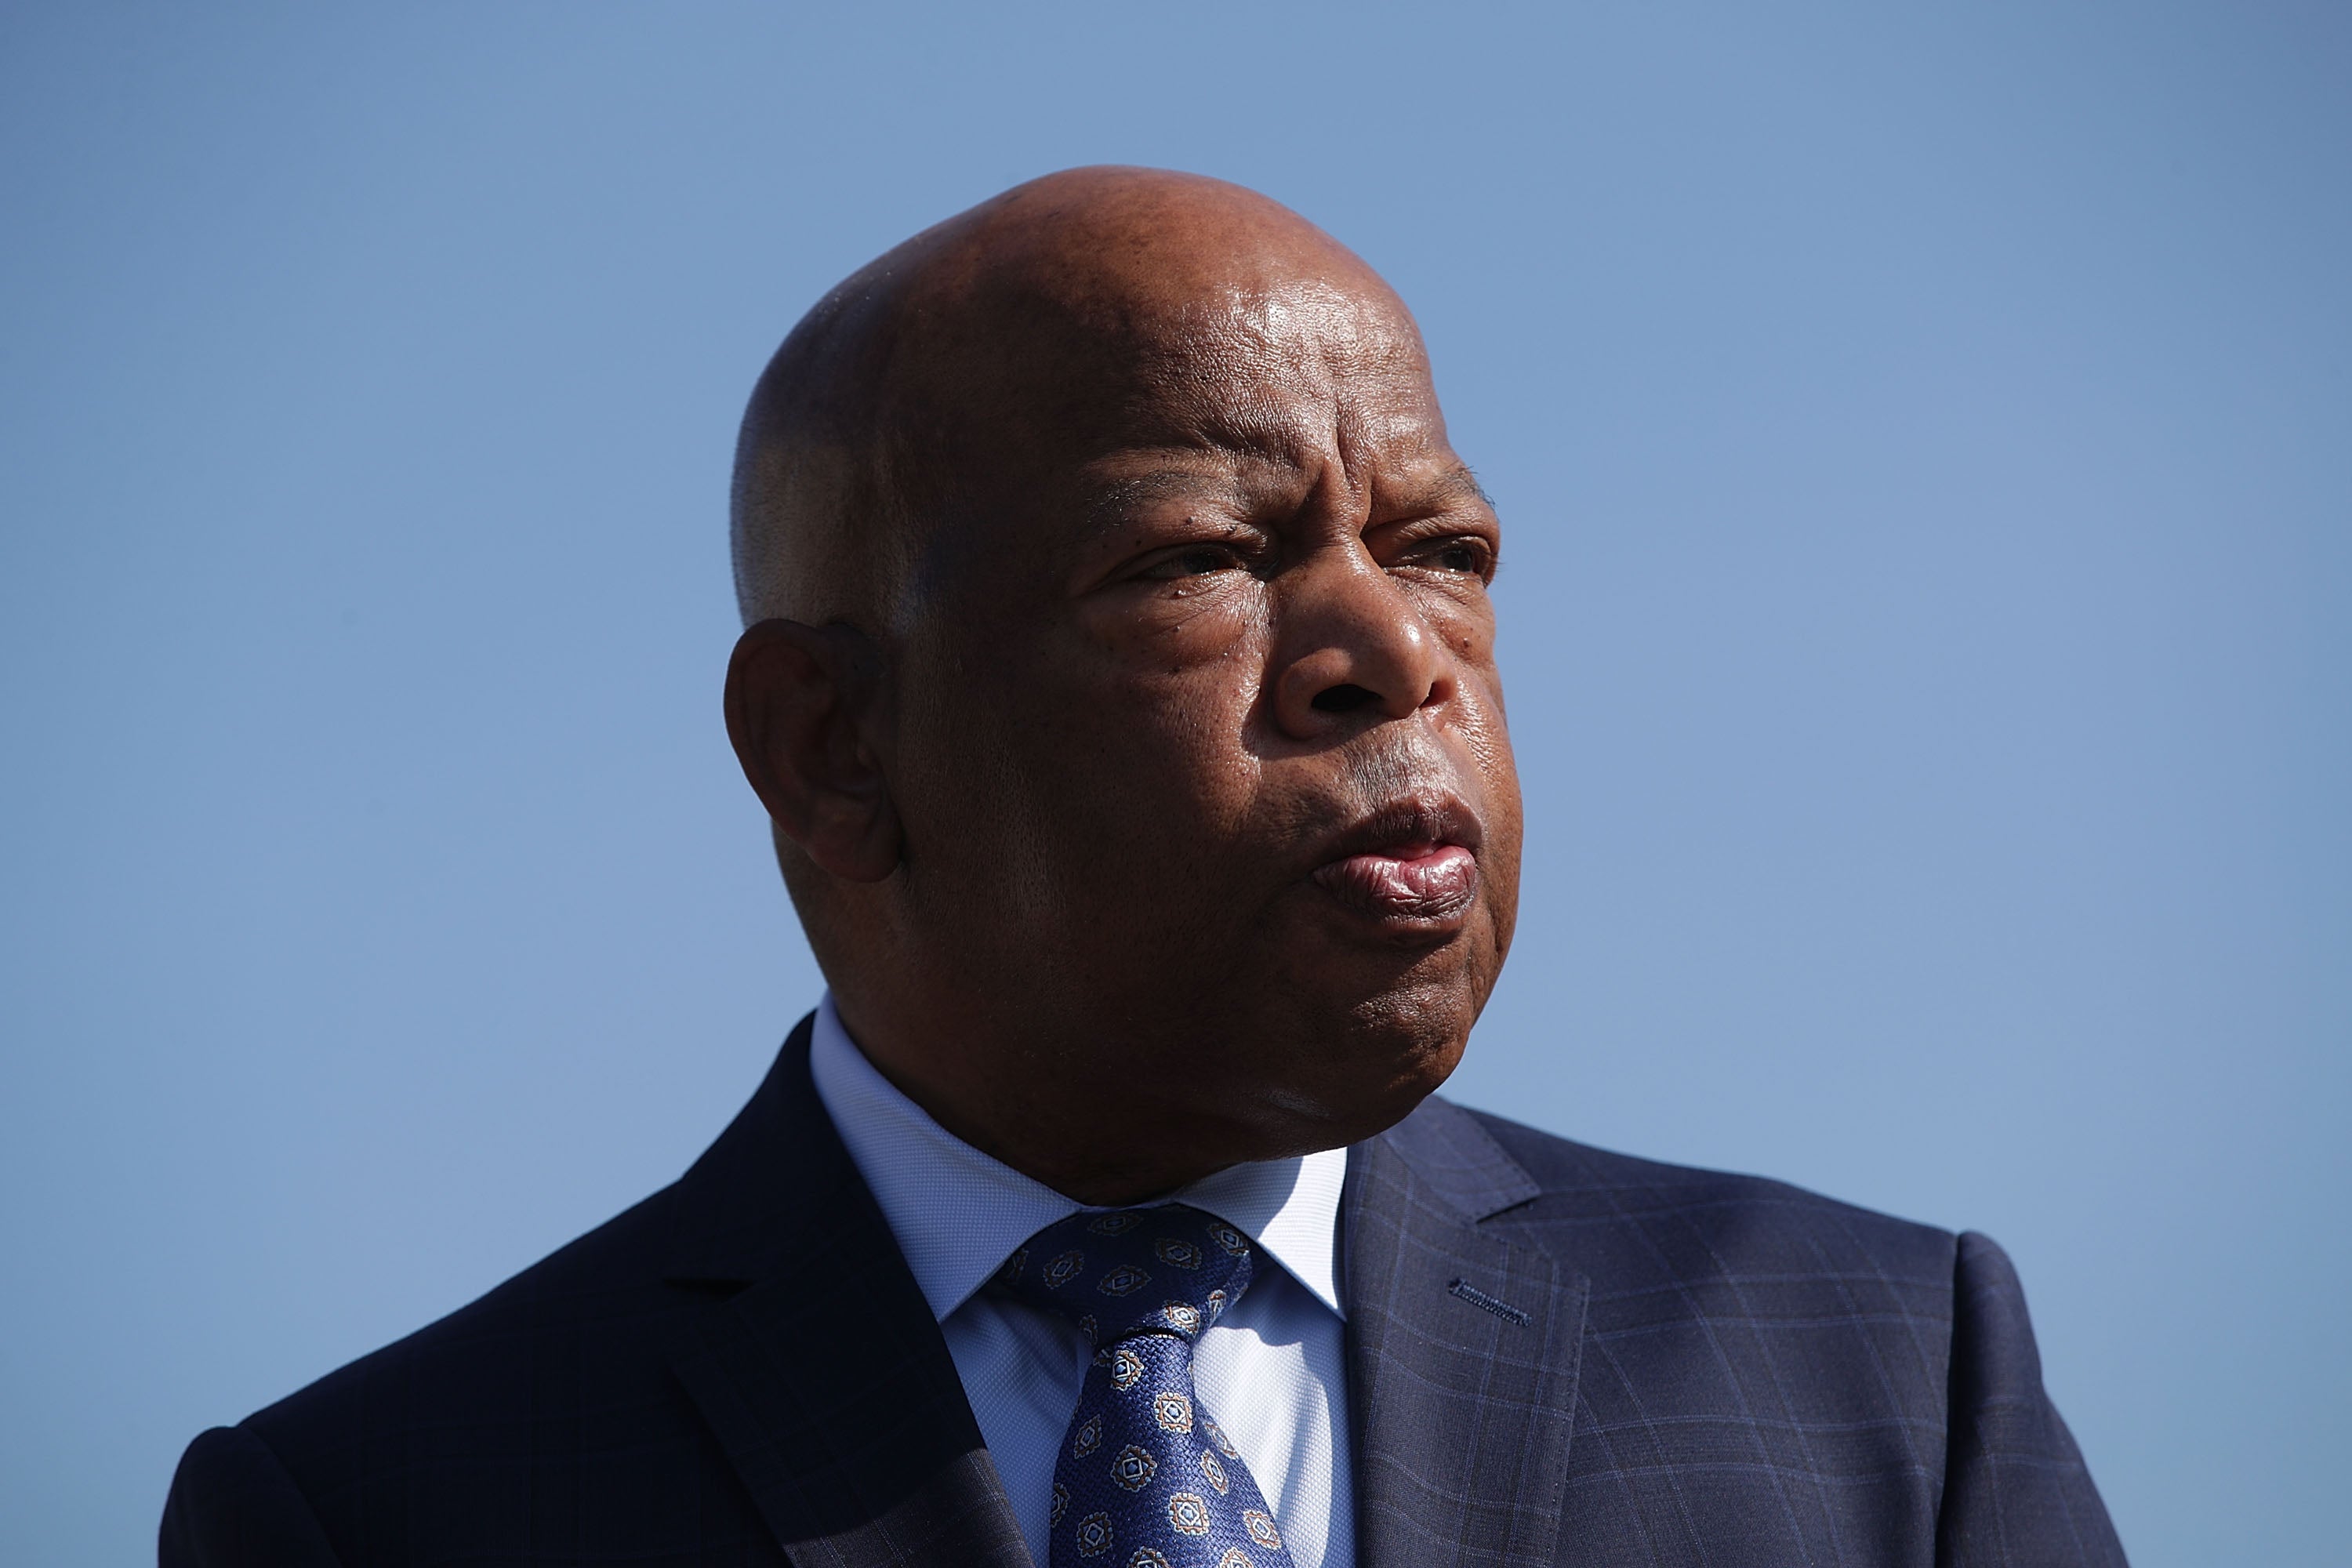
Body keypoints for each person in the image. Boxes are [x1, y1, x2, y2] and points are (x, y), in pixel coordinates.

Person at [161, 167, 2125, 1568]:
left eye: (1443, 548)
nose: (1393, 645)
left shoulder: (1882, 1381)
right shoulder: (392, 1508)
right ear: (833, 747)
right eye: (1202, 560)